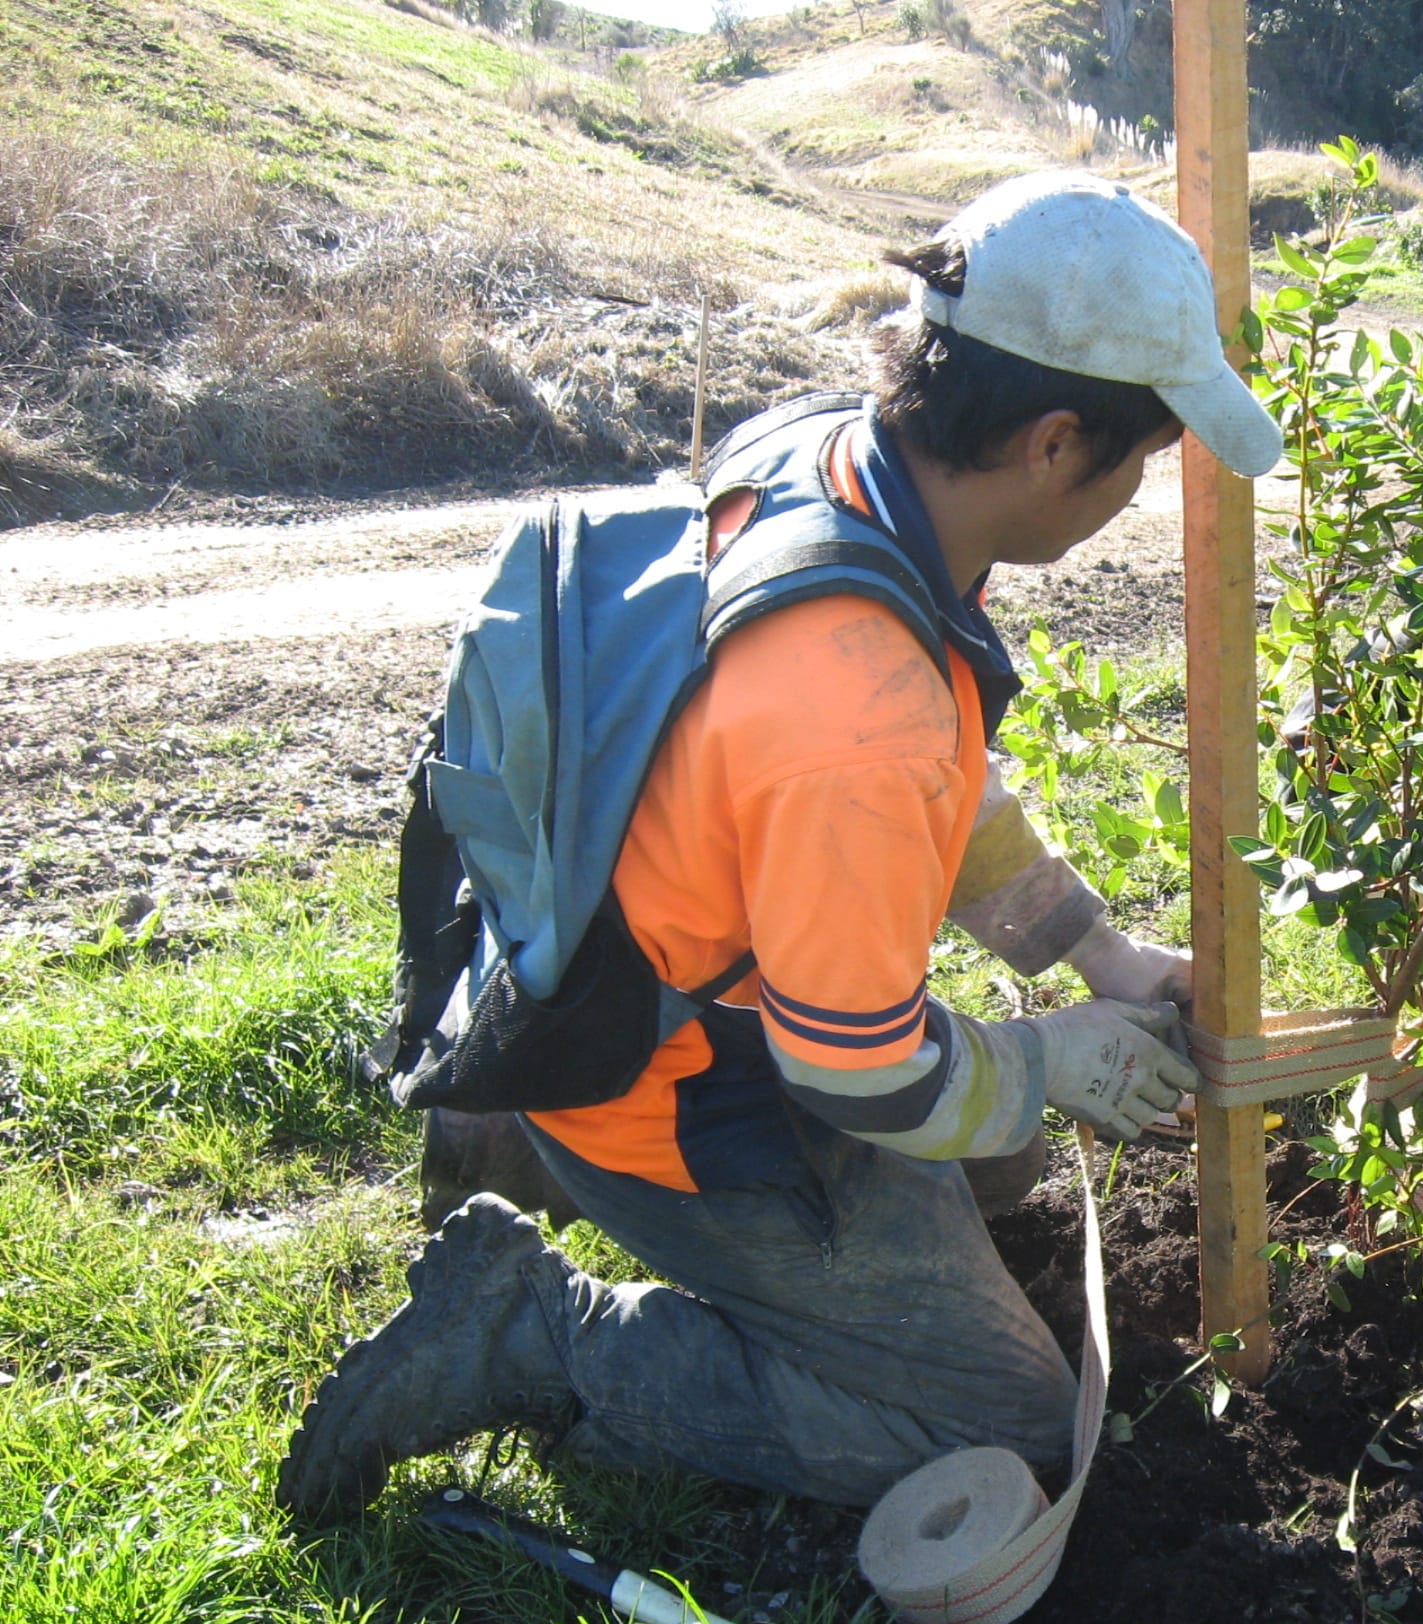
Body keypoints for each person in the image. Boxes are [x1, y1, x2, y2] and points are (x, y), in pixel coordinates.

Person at [277, 172, 1284, 1522]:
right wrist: (1041, 1056)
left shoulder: (847, 467)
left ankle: (524, 1133)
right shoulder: (858, 707)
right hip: (689, 1086)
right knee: (1008, 1429)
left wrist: (1095, 955)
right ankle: (535, 1332)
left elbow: (949, 793)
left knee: (1003, 1154)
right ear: (1054, 443)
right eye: (1140, 458)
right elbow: (853, 1066)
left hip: (610, 979)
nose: (1135, 491)